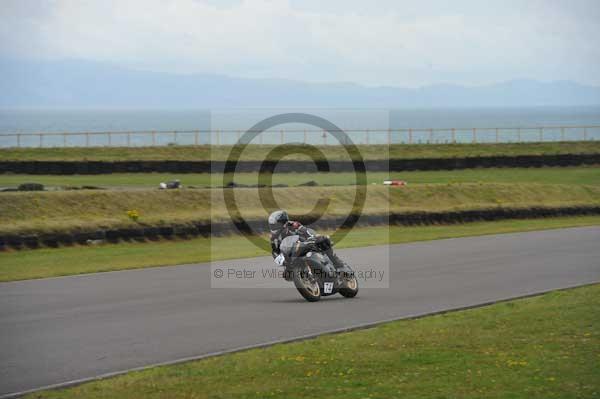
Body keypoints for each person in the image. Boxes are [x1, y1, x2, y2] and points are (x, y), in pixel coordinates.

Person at [268, 210, 348, 271]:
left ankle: (336, 262)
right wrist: (283, 262)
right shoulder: (274, 238)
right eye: (272, 226)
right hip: (293, 254)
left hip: (305, 242)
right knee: (287, 275)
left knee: (322, 240)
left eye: (276, 225)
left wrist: (314, 237)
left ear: (283, 223)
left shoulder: (293, 225)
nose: (274, 227)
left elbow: (306, 231)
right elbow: (275, 252)